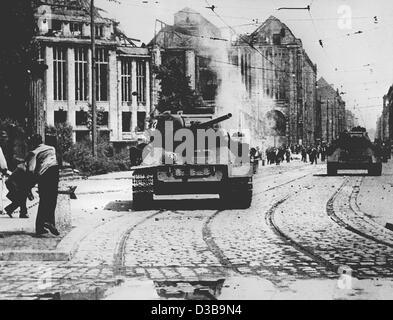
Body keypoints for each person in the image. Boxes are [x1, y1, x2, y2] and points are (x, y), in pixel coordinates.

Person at [26, 134, 60, 237]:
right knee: (52, 199)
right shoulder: (51, 148)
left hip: (44, 176)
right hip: (55, 172)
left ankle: (42, 226)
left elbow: (31, 169)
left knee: (44, 200)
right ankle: (47, 223)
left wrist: (30, 182)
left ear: (33, 143)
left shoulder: (34, 152)